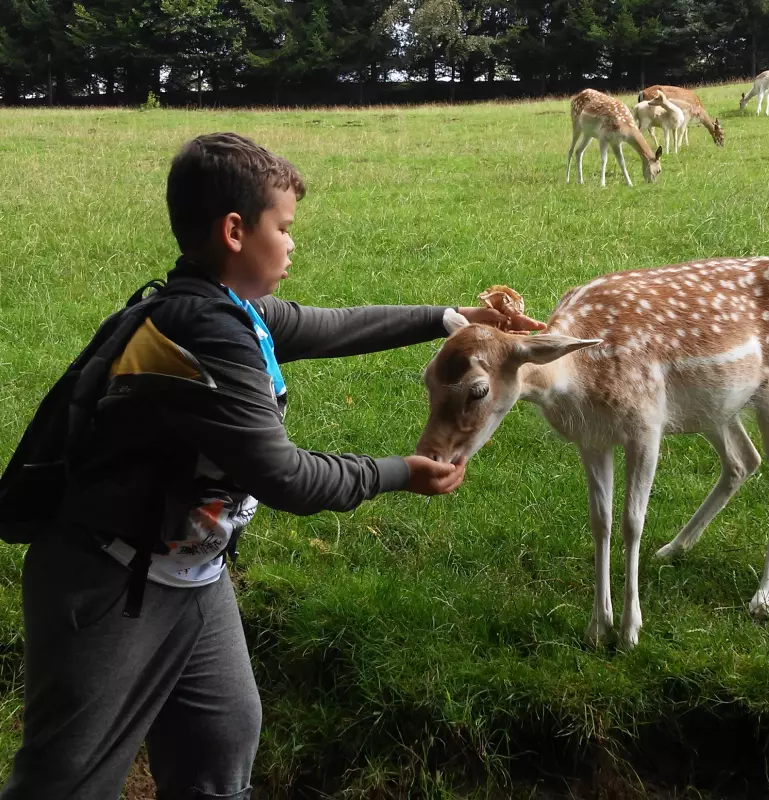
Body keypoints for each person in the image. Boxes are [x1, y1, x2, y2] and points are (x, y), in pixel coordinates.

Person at [0, 132, 544, 800]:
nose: (292, 243)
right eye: (283, 228)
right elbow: (283, 475)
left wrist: (451, 318)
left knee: (220, 743)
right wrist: (400, 472)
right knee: (66, 781)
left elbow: (330, 326)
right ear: (235, 231)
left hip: (189, 575)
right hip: (108, 585)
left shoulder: (232, 309)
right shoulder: (203, 332)